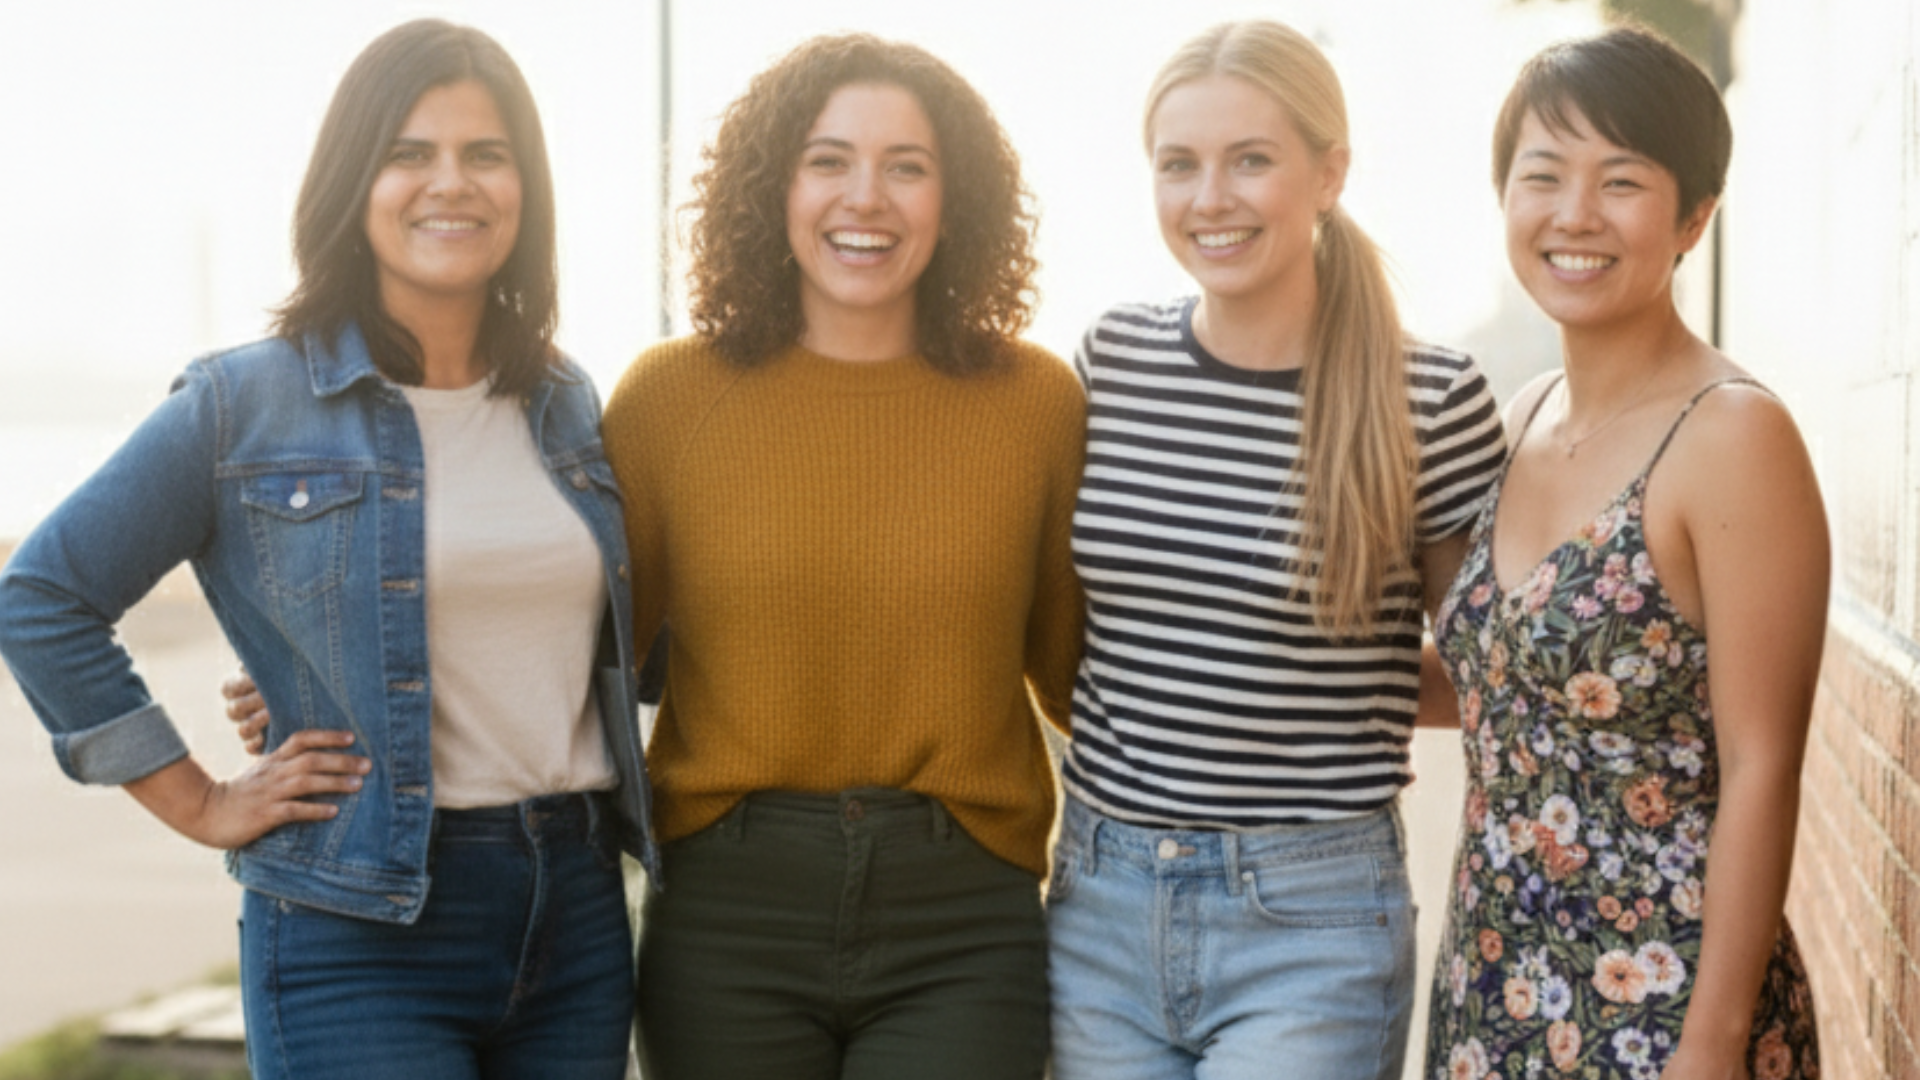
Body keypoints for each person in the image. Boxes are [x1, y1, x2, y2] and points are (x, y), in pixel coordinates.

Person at [0, 20, 656, 1080]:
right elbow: (43, 597)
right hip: (357, 926)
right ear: (354, 181)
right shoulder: (244, 401)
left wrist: (316, 659)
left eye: (486, 154)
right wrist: (201, 801)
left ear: (526, 189)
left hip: (573, 911)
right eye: (410, 152)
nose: (452, 183)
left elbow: (583, 639)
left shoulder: (564, 402)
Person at [601, 33, 1085, 1080]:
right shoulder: (665, 401)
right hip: (728, 916)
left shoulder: (1038, 404)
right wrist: (332, 683)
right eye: (828, 160)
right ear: (772, 188)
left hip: (964, 918)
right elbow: (572, 658)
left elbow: (1085, 677)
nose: (866, 197)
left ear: (954, 200)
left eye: (906, 166)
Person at [1044, 20, 1506, 1080]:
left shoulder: (1428, 399)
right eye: (1179, 165)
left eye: (1250, 159)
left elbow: (1487, 675)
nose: (1211, 197)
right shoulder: (1111, 363)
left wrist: (1343, 690)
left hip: (1314, 918)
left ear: (1329, 171)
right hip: (1102, 898)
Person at [1423, 26, 1824, 1080]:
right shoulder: (1519, 417)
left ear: (1695, 214)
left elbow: (1761, 762)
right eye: (1542, 175)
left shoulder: (1732, 435)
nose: (1574, 215)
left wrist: (1712, 1041)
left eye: (1622, 181)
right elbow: (1510, 687)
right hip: (1495, 982)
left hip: (1660, 1002)